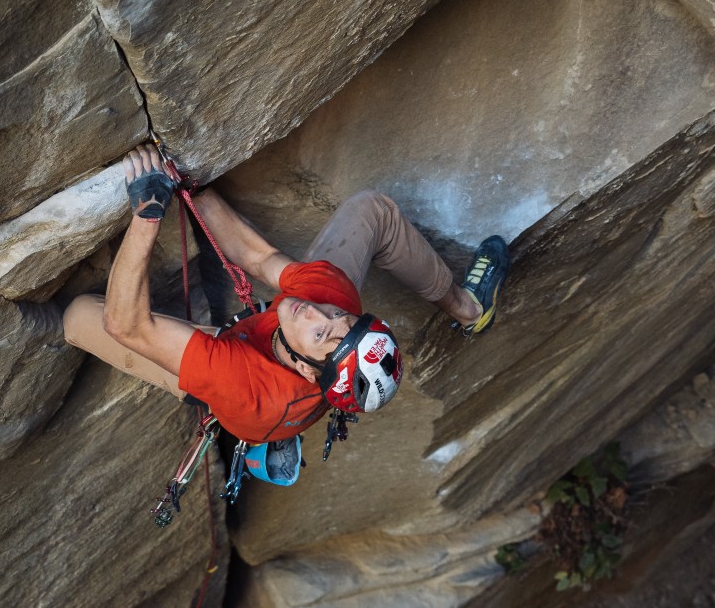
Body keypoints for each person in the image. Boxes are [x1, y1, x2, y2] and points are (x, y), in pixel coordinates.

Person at [63, 145, 509, 445]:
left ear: (305, 369)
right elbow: (258, 258)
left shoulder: (246, 386)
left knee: (78, 316)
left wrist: (148, 213)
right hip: (261, 357)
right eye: (338, 316)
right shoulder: (331, 307)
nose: (315, 310)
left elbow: (125, 325)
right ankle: (468, 308)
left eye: (321, 334)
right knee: (372, 212)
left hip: (241, 381)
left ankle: (210, 394)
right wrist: (193, 188)